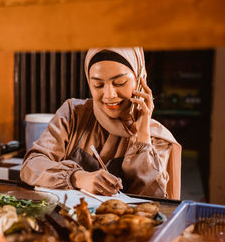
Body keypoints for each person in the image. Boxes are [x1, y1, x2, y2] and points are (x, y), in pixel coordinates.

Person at [20, 47, 181, 199]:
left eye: (120, 83)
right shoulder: (74, 114)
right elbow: (31, 166)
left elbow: (154, 201)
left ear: (140, 79)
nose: (109, 95)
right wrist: (78, 177)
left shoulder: (158, 139)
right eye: (98, 84)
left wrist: (143, 137)